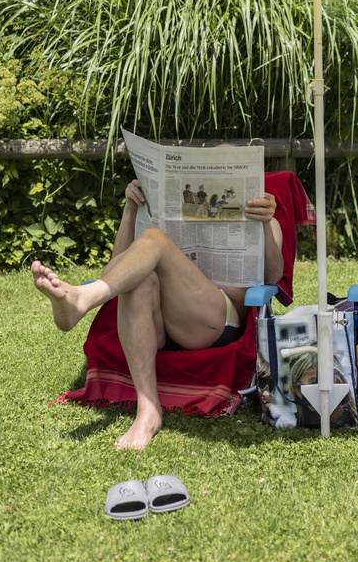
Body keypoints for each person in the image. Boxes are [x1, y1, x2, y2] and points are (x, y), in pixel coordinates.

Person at [31, 179, 285, 450]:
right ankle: (148, 411)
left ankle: (83, 300)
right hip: (161, 321)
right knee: (137, 278)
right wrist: (130, 209)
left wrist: (267, 225)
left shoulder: (265, 218)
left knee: (154, 238)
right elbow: (114, 272)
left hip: (217, 318)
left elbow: (272, 278)